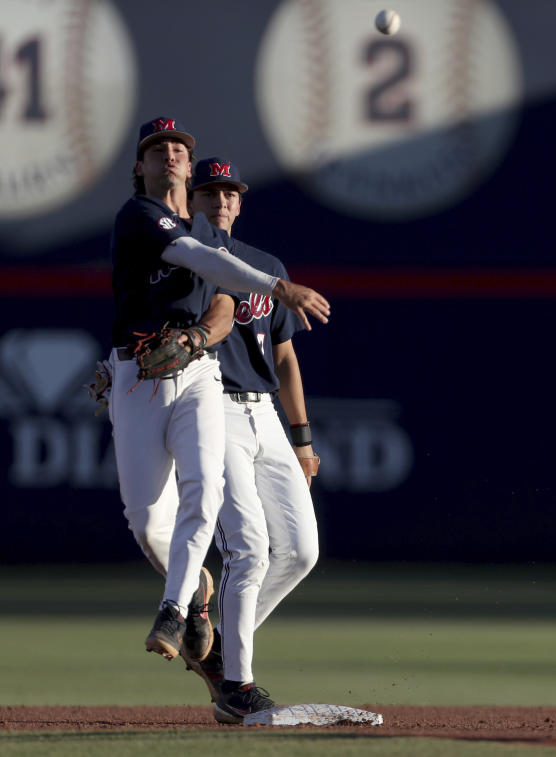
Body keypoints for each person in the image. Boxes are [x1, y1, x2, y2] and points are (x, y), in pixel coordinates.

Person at [109, 117, 331, 667]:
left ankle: (196, 627)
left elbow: (229, 299)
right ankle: (203, 607)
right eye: (156, 149)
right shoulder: (142, 217)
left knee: (256, 526)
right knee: (152, 521)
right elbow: (203, 261)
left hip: (220, 388)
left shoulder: (226, 244)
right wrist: (277, 286)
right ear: (143, 167)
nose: (170, 155)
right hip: (155, 381)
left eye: (179, 148)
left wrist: (200, 335)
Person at [184, 157, 322, 724]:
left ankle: (214, 649)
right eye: (210, 191)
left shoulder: (267, 267)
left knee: (301, 551)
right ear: (192, 200)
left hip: (263, 410)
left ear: (241, 203)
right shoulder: (184, 262)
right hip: (213, 407)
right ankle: (236, 685)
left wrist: (303, 438)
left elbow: (286, 359)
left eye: (230, 192)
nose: (221, 200)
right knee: (249, 548)